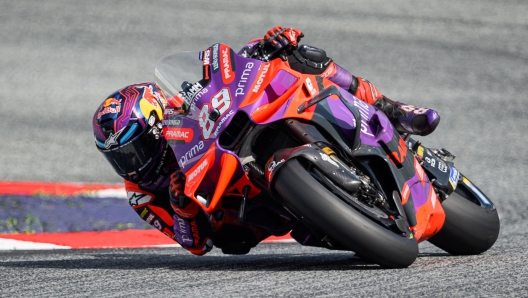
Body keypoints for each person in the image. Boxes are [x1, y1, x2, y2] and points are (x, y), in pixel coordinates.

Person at [92, 27, 440, 256]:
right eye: (119, 157)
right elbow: (195, 244)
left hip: (229, 142)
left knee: (301, 57)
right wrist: (182, 206)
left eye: (133, 148)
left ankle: (390, 108)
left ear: (155, 122)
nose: (132, 164)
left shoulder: (176, 104)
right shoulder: (141, 193)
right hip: (237, 205)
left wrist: (263, 49)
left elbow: (218, 81)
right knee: (232, 241)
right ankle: (332, 215)